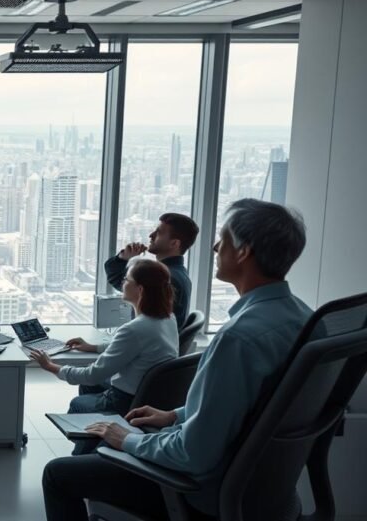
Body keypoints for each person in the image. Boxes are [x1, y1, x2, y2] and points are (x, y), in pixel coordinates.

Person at [42, 199, 311, 521]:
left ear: (243, 252)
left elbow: (192, 454)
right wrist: (173, 415)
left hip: (202, 490)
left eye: (223, 239)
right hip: (266, 492)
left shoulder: (238, 339)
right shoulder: (304, 319)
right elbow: (253, 404)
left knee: (58, 474)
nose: (214, 246)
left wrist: (126, 439)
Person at [31, 259, 178, 454]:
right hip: (150, 395)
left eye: (127, 280)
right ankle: (97, 442)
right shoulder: (168, 318)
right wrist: (94, 347)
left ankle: (84, 455)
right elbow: (131, 347)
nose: (122, 283)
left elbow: (92, 374)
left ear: (140, 290)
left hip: (125, 400)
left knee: (78, 402)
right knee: (89, 386)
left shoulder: (134, 329)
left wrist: (51, 367)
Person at [104, 212, 198, 332]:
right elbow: (122, 283)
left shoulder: (164, 278)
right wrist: (123, 258)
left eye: (158, 233)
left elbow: (119, 282)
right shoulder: (178, 273)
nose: (151, 235)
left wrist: (123, 259)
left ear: (174, 243)